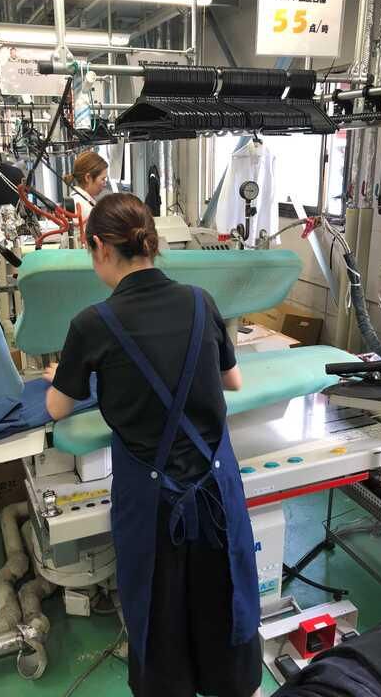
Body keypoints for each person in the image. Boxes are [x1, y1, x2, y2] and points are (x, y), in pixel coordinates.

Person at [43, 193, 262, 697]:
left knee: (159, 620)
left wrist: (67, 376)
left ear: (100, 247)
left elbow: (57, 408)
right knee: (226, 604)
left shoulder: (91, 324)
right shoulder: (201, 301)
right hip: (215, 493)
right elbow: (233, 381)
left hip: (152, 505)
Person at [62, 151, 108, 220]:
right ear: (88, 178)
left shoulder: (78, 198)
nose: (105, 184)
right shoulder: (84, 207)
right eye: (103, 179)